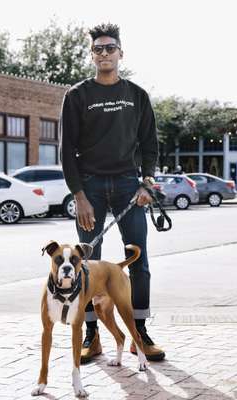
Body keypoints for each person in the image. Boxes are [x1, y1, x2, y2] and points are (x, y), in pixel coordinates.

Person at [60, 23, 165, 363]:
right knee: (85, 264)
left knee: (139, 261)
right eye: (98, 49)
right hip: (89, 186)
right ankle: (92, 335)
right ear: (92, 55)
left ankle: (140, 334)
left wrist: (147, 181)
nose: (104, 53)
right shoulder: (76, 96)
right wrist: (78, 195)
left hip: (127, 186)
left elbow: (150, 144)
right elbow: (66, 150)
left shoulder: (137, 96)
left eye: (110, 48)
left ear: (121, 52)